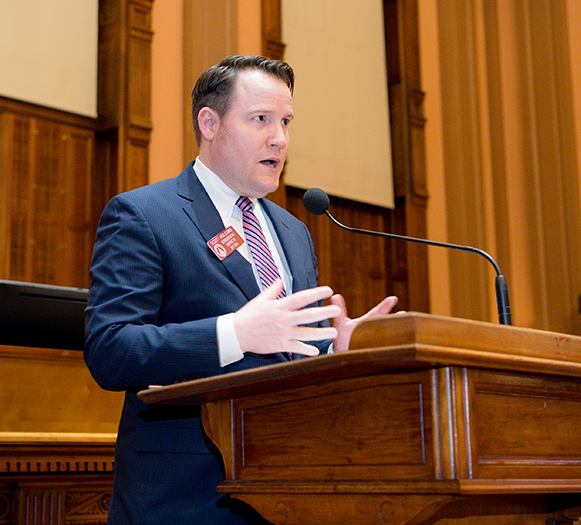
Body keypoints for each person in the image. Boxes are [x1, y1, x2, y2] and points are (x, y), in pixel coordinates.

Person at [84, 55, 398, 525]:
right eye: (260, 120)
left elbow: (289, 357)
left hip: (287, 495)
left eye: (286, 121)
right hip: (185, 500)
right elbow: (110, 350)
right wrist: (232, 333)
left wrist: (338, 353)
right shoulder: (145, 215)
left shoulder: (293, 232)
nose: (280, 138)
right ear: (209, 123)